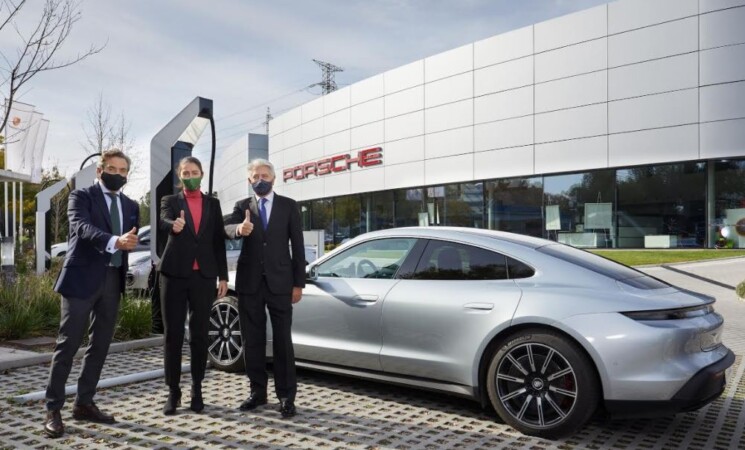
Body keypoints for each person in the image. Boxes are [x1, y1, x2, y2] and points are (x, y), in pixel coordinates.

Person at [44, 149, 140, 438]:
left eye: (123, 170)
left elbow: (130, 240)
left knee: (100, 345)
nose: (118, 174)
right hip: (81, 280)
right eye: (112, 169)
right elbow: (81, 228)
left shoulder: (131, 205)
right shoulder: (81, 196)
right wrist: (114, 241)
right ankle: (53, 409)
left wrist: (128, 243)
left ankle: (84, 403)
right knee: (68, 345)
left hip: (113, 280)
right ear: (100, 171)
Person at [224, 158, 305, 418]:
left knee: (283, 341)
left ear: (273, 178)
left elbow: (298, 246)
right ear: (249, 180)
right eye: (256, 176)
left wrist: (298, 283)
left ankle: (286, 397)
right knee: (252, 340)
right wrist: (239, 228)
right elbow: (224, 228)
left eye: (265, 176)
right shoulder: (242, 206)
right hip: (250, 283)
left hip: (281, 283)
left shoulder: (289, 206)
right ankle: (257, 392)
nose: (260, 180)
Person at [157, 156, 228, 415]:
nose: (190, 176)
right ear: (180, 176)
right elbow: (162, 221)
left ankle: (197, 388)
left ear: (201, 173)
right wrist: (173, 225)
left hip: (204, 276)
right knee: (173, 334)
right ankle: (173, 390)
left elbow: (218, 240)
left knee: (199, 334)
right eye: (185, 173)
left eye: (194, 172)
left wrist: (223, 276)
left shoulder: (213, 203)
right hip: (174, 274)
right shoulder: (170, 201)